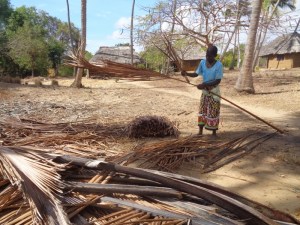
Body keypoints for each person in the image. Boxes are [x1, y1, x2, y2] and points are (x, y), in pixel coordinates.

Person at [181, 45, 223, 137]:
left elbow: (217, 80)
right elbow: (196, 74)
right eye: (207, 55)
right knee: (202, 111)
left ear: (215, 55)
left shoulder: (219, 65)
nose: (208, 58)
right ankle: (200, 131)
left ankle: (214, 133)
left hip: (214, 91)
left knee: (214, 111)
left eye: (210, 56)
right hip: (205, 92)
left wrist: (205, 85)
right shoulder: (202, 63)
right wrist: (186, 73)